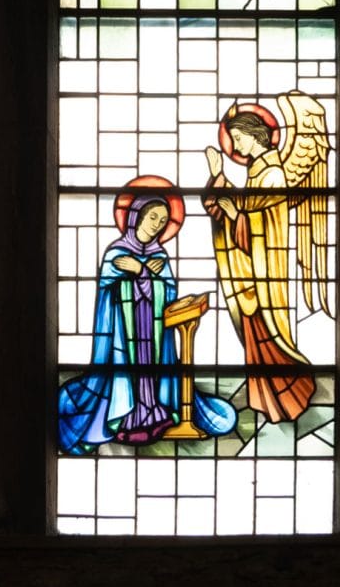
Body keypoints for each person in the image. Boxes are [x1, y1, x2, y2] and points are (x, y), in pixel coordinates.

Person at [59, 181, 235, 452]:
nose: (157, 224)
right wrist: (142, 273)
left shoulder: (159, 255)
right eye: (153, 217)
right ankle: (125, 417)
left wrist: (144, 273)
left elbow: (168, 288)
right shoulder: (116, 252)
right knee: (127, 371)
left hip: (152, 334)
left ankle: (152, 411)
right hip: (124, 332)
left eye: (163, 221)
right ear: (136, 217)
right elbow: (108, 287)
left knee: (151, 371)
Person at [203, 98, 328, 424]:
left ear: (254, 135)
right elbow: (241, 210)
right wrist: (218, 179)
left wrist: (234, 211)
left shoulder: (272, 174)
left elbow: (260, 226)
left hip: (265, 272)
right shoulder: (257, 173)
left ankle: (287, 394)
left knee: (268, 335)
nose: (236, 144)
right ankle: (264, 399)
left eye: (239, 137)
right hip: (250, 269)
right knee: (253, 333)